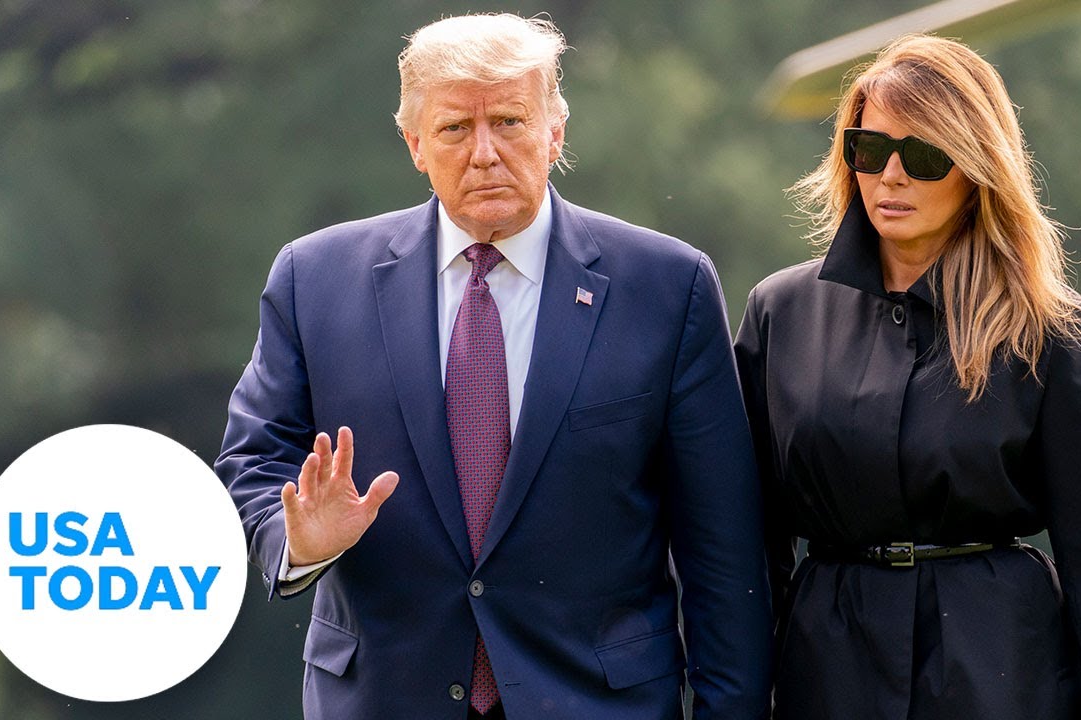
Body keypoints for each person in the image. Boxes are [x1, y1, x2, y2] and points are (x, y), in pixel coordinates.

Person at [216, 13, 772, 720]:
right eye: (455, 128)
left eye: (509, 121)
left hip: (596, 703)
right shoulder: (314, 279)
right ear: (415, 145)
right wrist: (297, 541)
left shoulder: (668, 286)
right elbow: (252, 462)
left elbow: (724, 551)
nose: (484, 153)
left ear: (555, 131)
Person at [735, 34, 1081, 719]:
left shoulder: (1045, 330)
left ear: (975, 167)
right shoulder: (780, 314)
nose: (891, 176)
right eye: (869, 149)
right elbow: (746, 551)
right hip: (828, 674)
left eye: (924, 156)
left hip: (1000, 674)